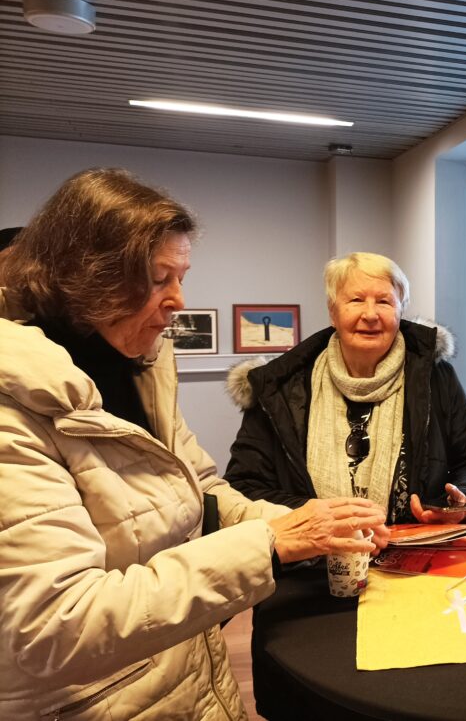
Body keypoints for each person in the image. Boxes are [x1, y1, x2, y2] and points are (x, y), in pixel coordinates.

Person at [0, 169, 388, 720]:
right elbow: (54, 626)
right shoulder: (14, 408)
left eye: (180, 278)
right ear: (86, 276)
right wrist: (270, 542)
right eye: (159, 279)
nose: (179, 301)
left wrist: (309, 526)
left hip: (185, 676)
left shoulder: (137, 368)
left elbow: (201, 491)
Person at [225, 251, 466, 524]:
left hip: (413, 550)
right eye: (356, 300)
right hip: (313, 553)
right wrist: (317, 517)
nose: (370, 314)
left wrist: (463, 500)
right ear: (333, 312)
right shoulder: (279, 388)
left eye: (384, 301)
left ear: (400, 311)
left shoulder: (435, 377)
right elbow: (244, 486)